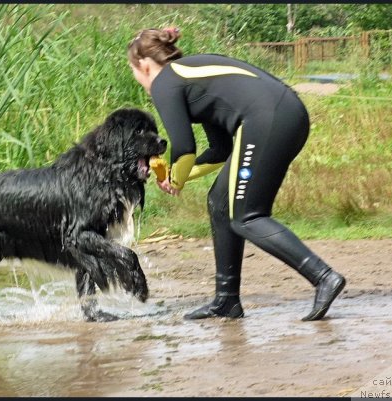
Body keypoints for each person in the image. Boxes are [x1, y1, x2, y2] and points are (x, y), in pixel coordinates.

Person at [127, 27, 346, 321]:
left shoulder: (165, 83)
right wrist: (180, 177)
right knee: (220, 201)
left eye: (133, 71)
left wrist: (176, 178)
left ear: (143, 64)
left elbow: (183, 146)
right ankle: (226, 301)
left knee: (247, 215)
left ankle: (323, 276)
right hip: (284, 115)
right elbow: (219, 150)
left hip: (266, 119)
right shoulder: (186, 76)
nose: (137, 78)